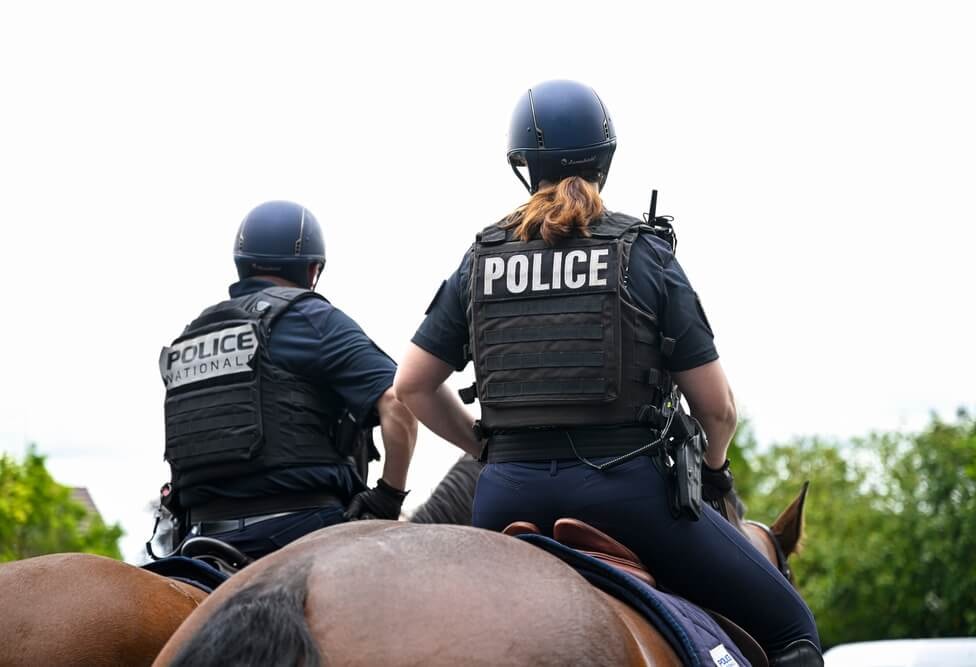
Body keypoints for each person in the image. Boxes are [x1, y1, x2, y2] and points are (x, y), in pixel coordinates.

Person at [394, 80, 822, 666]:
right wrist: (714, 471)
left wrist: (485, 448)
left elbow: (411, 385)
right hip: (628, 499)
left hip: (501, 501)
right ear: (605, 160)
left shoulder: (481, 260)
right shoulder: (644, 252)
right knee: (792, 629)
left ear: (523, 166)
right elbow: (717, 407)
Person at [158, 200, 416, 560]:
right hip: (300, 530)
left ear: (241, 265)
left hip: (195, 541)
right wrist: (388, 497)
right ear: (312, 270)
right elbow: (399, 402)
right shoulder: (313, 318)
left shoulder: (190, 336)